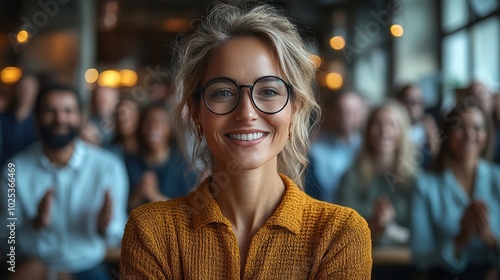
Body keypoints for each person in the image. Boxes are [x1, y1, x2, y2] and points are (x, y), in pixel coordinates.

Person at [120, 3, 372, 279]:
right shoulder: (151, 231)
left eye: (268, 91)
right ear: (196, 113)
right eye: (223, 93)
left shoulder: (339, 234)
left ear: (295, 109)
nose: (246, 113)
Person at [0, 83, 128, 280]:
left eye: (68, 111)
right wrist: (35, 225)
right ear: (36, 118)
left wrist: (104, 226)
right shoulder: (14, 170)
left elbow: (119, 233)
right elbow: (6, 240)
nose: (60, 118)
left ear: (80, 118)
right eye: (50, 111)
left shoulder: (108, 166)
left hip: (88, 267)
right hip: (35, 266)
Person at [411, 102, 500, 279]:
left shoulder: (497, 178)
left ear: (487, 134)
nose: (469, 135)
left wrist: (489, 239)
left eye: (477, 127)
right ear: (446, 133)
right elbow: (420, 257)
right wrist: (460, 239)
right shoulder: (425, 185)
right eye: (459, 126)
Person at [337, 100, 417, 247]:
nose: (384, 131)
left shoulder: (415, 179)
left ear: (402, 132)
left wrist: (390, 229)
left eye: (391, 125)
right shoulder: (350, 177)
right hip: (357, 260)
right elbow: (340, 230)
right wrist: (373, 226)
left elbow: (423, 236)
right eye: (377, 124)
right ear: (367, 131)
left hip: (405, 263)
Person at [126, 102, 198, 211]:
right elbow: (125, 210)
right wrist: (139, 192)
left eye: (160, 121)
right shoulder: (131, 163)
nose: (153, 126)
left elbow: (186, 213)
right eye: (148, 121)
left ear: (170, 128)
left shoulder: (183, 166)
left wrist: (152, 194)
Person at [305, 90, 366, 203]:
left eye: (355, 111)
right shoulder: (315, 149)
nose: (348, 118)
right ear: (331, 112)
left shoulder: (368, 146)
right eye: (342, 111)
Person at [0, 73, 40, 167]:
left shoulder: (40, 121)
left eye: (29, 87)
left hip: (29, 170)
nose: (25, 91)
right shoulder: (2, 118)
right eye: (21, 86)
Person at [395, 84, 439, 168]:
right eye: (411, 101)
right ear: (400, 102)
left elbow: (436, 156)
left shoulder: (428, 125)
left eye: (420, 101)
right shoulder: (394, 127)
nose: (416, 105)